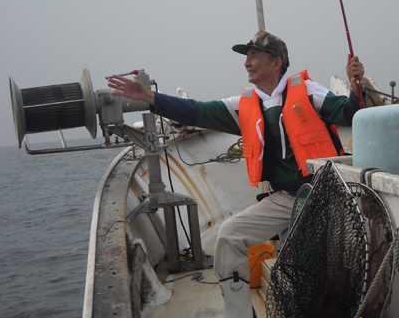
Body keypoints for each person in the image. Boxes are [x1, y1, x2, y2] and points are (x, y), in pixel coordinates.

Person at [107, 31, 366, 318]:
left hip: (324, 195)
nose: (247, 63)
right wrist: (150, 97)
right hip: (286, 198)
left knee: (321, 270)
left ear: (276, 63)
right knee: (229, 235)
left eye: (254, 56)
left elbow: (351, 113)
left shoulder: (307, 91)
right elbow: (196, 112)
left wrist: (357, 86)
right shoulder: (243, 105)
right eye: (247, 57)